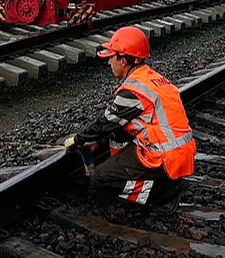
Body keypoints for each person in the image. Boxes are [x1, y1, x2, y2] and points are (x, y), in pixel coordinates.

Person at [65, 26, 196, 214]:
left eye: (112, 57)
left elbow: (105, 122)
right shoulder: (151, 78)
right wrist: (99, 142)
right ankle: (160, 182)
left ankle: (163, 193)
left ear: (124, 60)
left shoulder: (134, 90)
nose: (109, 62)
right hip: (176, 152)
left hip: (163, 157)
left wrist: (78, 139)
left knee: (98, 180)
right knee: (116, 135)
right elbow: (121, 124)